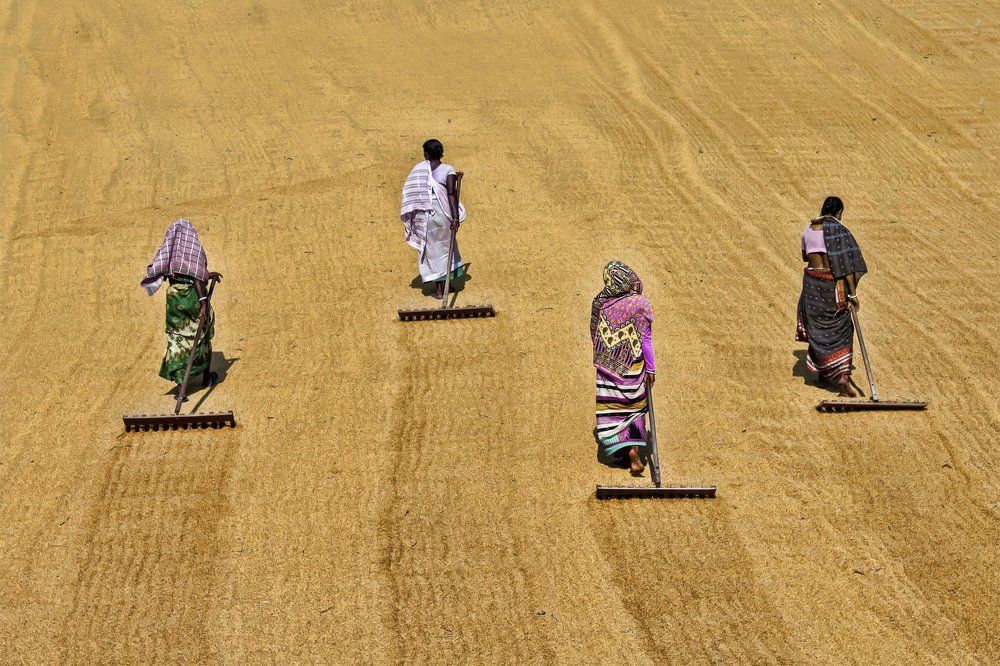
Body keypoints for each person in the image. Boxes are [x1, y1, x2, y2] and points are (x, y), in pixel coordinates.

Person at [140, 218, 223, 395]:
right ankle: (206, 378)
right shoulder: (193, 249)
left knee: (178, 340)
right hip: (191, 298)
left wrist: (208, 275)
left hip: (174, 301)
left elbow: (183, 273)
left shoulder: (170, 252)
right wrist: (203, 302)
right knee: (201, 335)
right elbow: (195, 277)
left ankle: (181, 388)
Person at [796, 196, 867, 396]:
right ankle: (842, 377)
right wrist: (853, 293)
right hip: (831, 285)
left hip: (811, 285)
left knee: (816, 327)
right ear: (839, 213)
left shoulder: (807, 230)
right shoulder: (839, 231)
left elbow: (804, 257)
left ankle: (822, 373)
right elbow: (847, 267)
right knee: (842, 327)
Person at [592, 260, 656, 476]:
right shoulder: (640, 304)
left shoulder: (599, 304)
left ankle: (624, 450)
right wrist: (651, 369)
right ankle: (634, 451)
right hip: (633, 368)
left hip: (607, 369)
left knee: (614, 410)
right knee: (635, 408)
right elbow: (646, 340)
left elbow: (594, 335)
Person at [400, 139, 468, 299]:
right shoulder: (447, 169)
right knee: (445, 249)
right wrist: (455, 218)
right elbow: (450, 194)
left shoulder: (418, 170)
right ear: (441, 152)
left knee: (432, 251)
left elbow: (412, 192)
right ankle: (441, 288)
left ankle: (443, 287)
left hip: (424, 218)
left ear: (426, 154)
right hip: (442, 215)